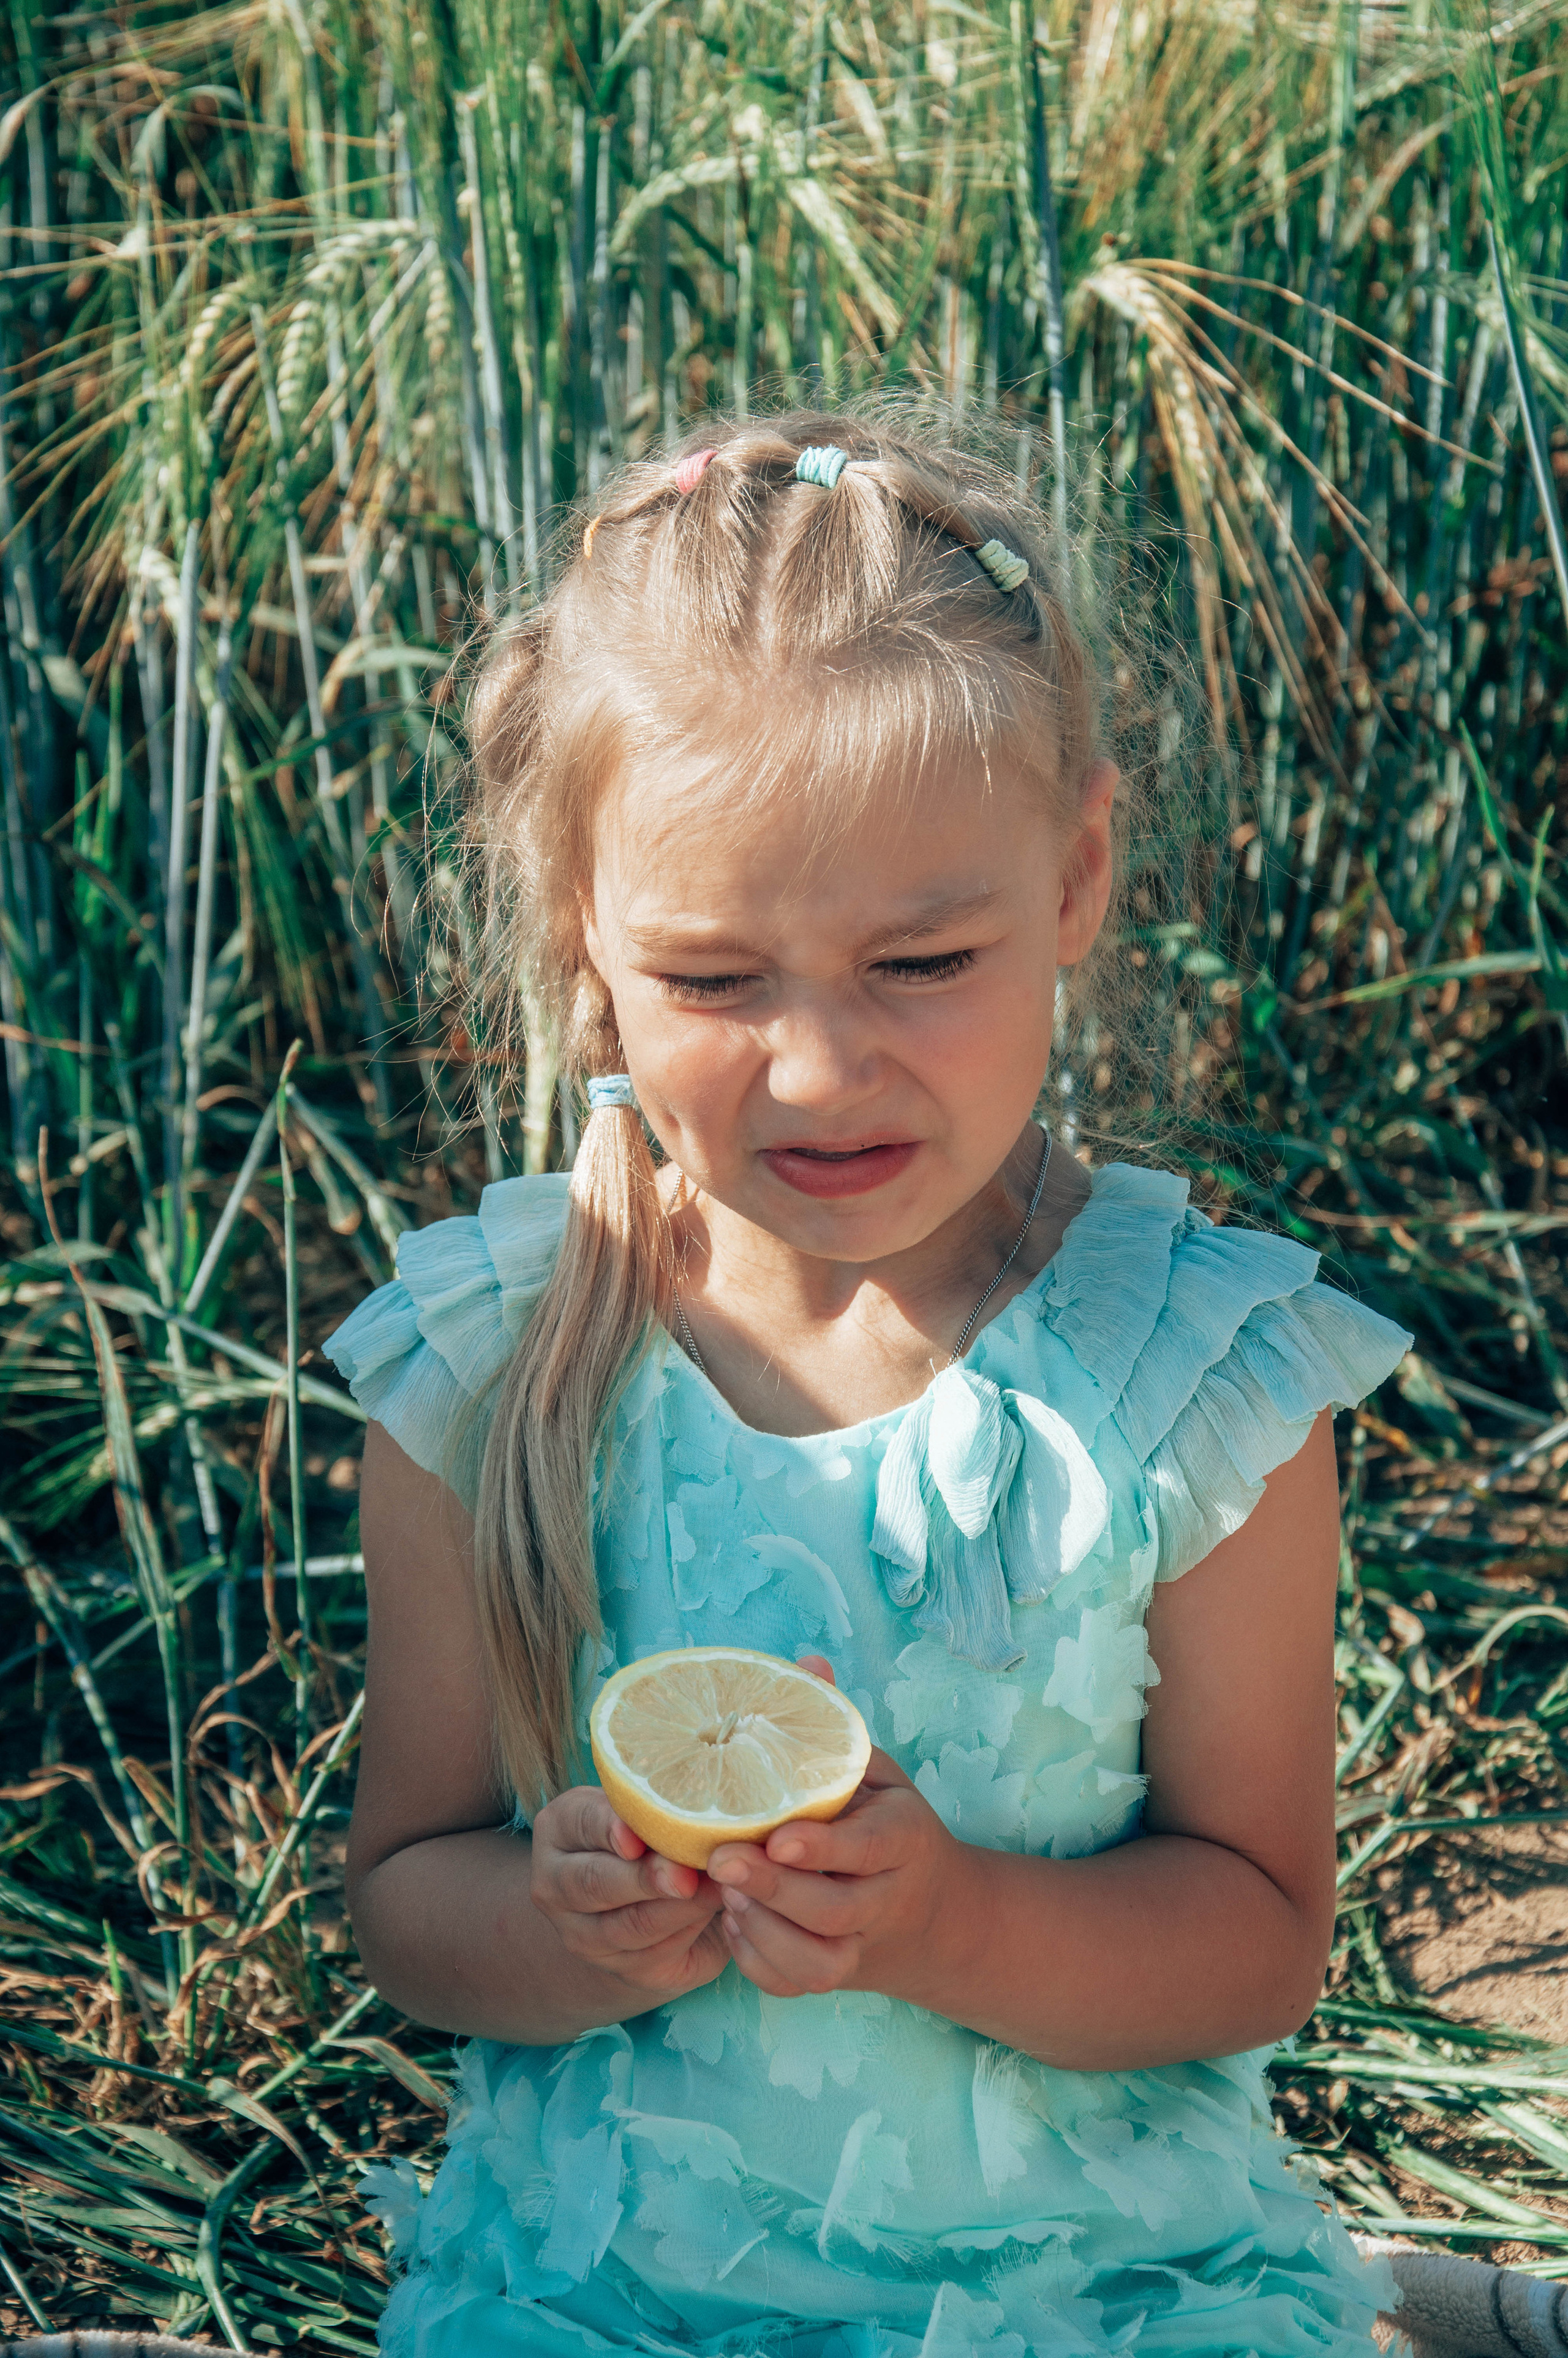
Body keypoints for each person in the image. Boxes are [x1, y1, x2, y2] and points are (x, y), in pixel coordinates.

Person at [326, 411, 1411, 2357]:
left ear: (1077, 877)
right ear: (588, 932)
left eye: (922, 959)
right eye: (718, 980)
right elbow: (407, 1893)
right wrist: (555, 1929)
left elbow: (1258, 1936)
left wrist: (946, 1923)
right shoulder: (498, 1369)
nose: (819, 1071)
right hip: (606, 2302)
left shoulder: (1189, 1386)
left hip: (1114, 2297)